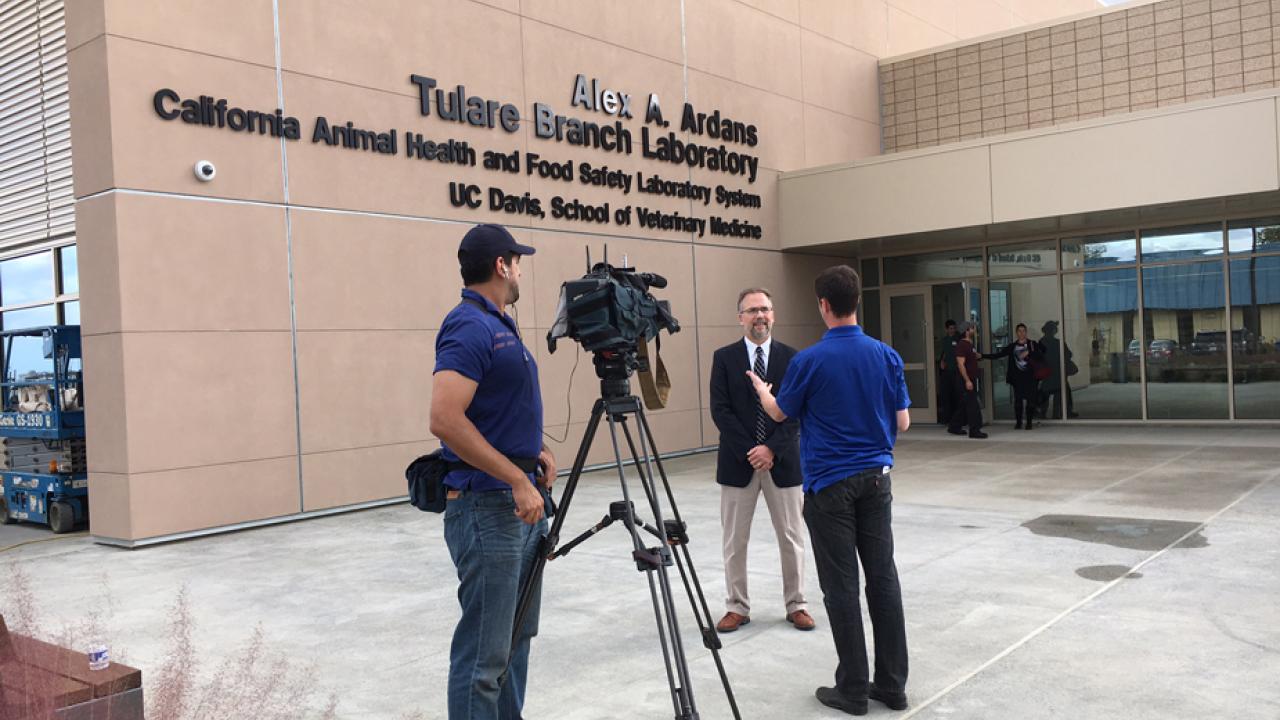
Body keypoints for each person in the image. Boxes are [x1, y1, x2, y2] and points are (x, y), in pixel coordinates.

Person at [747, 265, 911, 716]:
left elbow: (780, 414)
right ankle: (892, 686)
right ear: (856, 301)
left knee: (841, 588)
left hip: (830, 487)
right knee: (883, 580)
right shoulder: (886, 355)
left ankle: (853, 689)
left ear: (823, 304)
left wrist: (763, 391)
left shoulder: (810, 360)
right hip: (878, 480)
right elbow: (903, 422)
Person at [429, 223, 556, 720]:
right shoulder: (469, 325)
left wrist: (532, 453)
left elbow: (491, 412)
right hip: (489, 510)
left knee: (516, 636)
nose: (520, 269)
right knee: (484, 655)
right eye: (517, 260)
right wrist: (516, 478)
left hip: (516, 504)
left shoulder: (498, 323)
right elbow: (444, 418)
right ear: (502, 266)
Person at [709, 288, 812, 634]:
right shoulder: (724, 358)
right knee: (734, 541)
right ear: (740, 317)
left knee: (792, 537)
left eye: (765, 309)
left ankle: (796, 604)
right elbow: (720, 412)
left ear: (774, 314)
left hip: (782, 463)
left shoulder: (793, 358)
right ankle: (736, 606)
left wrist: (771, 449)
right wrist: (751, 451)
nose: (760, 316)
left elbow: (796, 413)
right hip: (739, 464)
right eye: (752, 310)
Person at [983, 323, 1045, 430]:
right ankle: (1019, 422)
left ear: (1026, 332)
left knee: (1030, 401)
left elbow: (1043, 352)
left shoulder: (1032, 344)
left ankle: (1029, 422)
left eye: (1023, 331)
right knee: (1018, 402)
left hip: (1031, 377)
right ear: (1016, 333)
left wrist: (1029, 352)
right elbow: (999, 355)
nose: (1021, 333)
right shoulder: (1012, 346)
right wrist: (983, 356)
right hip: (1018, 378)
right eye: (1019, 331)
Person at [946, 321, 987, 439]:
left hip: (971, 378)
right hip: (965, 380)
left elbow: (969, 358)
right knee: (973, 405)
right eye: (973, 328)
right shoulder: (962, 345)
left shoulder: (970, 344)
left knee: (964, 404)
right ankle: (975, 430)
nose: (975, 330)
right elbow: (960, 364)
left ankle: (954, 426)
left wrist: (976, 356)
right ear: (967, 330)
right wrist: (967, 380)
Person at [1037, 320, 1079, 419]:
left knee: (1045, 393)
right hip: (1058, 373)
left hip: (1046, 374)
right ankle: (1062, 412)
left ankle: (1043, 412)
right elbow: (1068, 354)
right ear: (1053, 331)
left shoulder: (1041, 343)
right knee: (1063, 392)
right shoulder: (1058, 343)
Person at [936, 320, 959, 425]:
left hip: (957, 370)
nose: (952, 330)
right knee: (946, 395)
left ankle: (957, 419)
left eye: (954, 328)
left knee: (956, 395)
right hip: (947, 371)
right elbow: (943, 353)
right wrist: (942, 361)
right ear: (946, 329)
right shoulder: (944, 340)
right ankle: (946, 418)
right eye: (950, 328)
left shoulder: (958, 339)